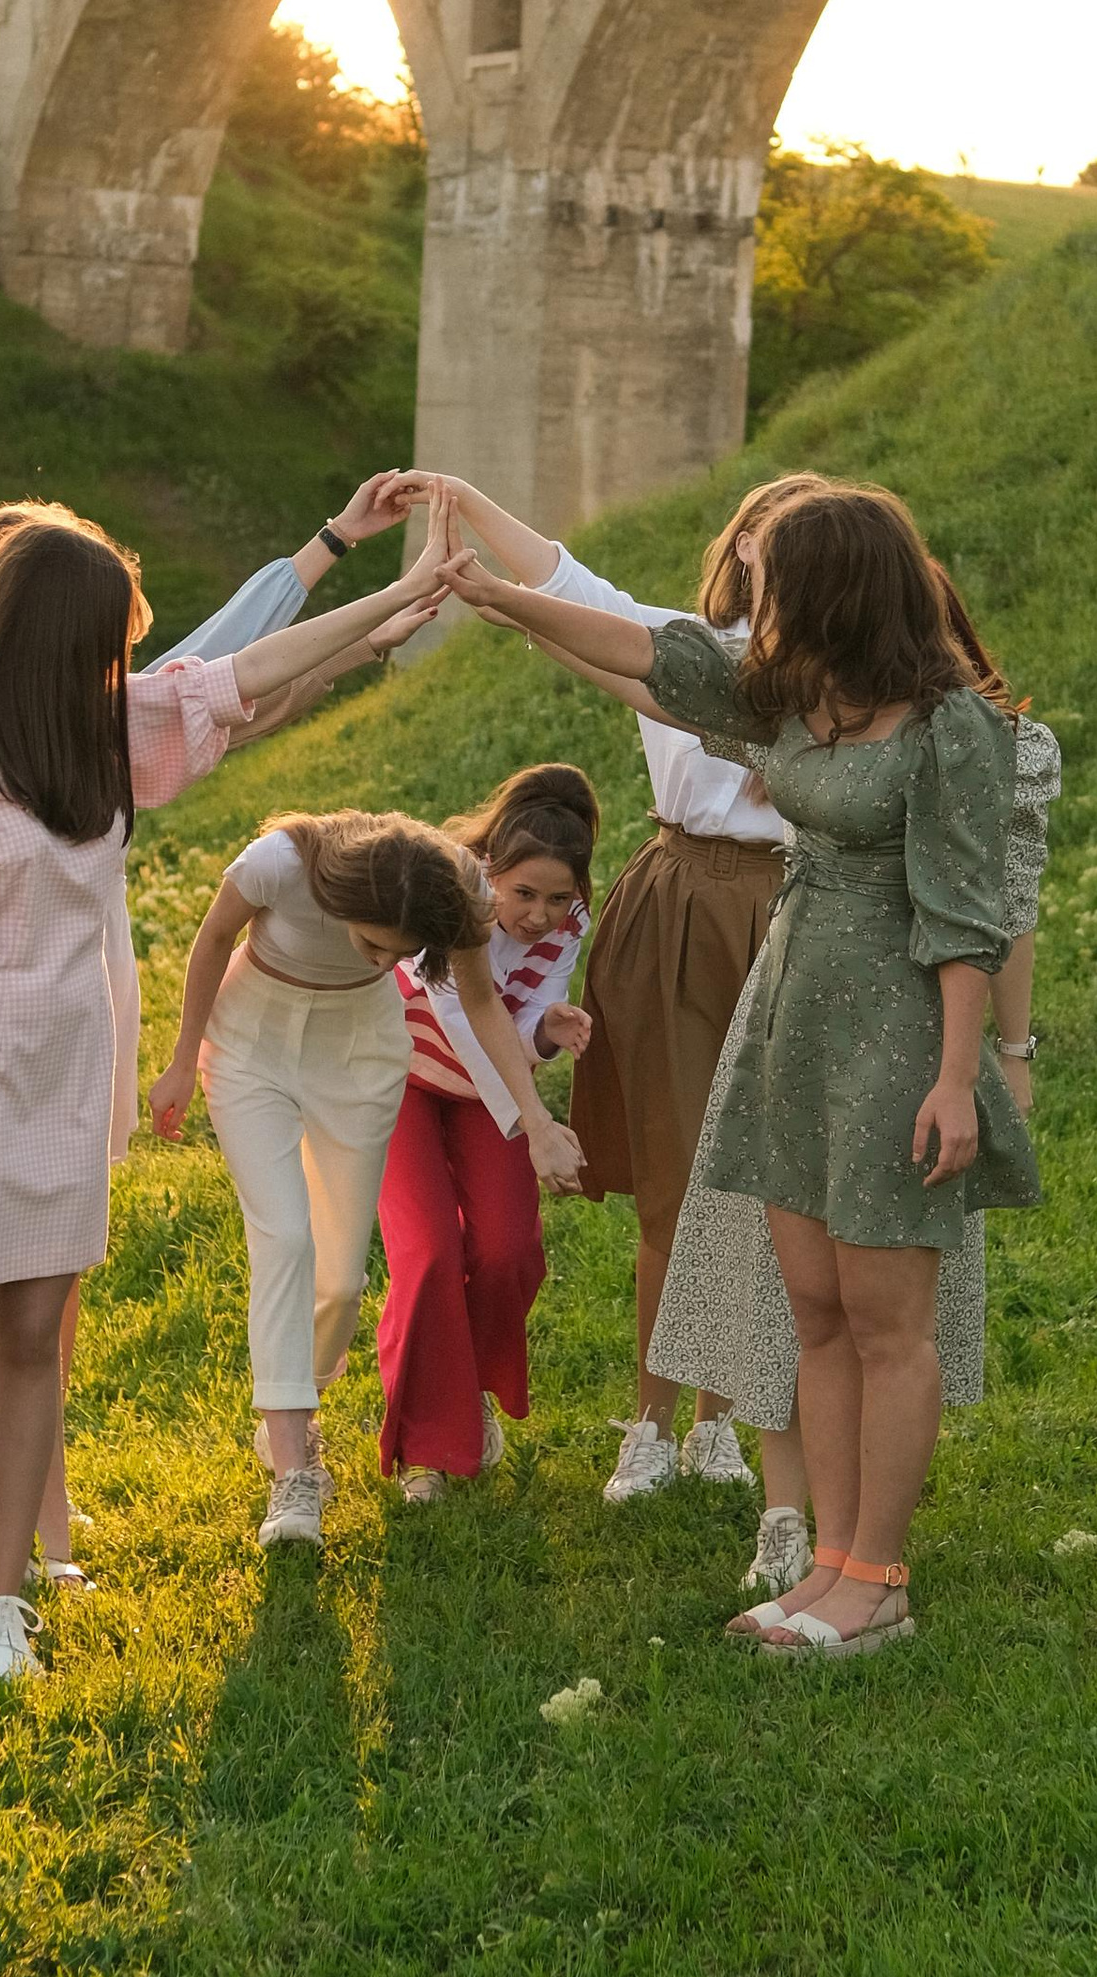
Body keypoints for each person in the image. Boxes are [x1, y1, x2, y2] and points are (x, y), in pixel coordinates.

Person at [434, 480, 1049, 1660]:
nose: (751, 606)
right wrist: (498, 597)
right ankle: (825, 1565)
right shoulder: (791, 702)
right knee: (812, 1310)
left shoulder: (951, 730)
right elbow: (644, 649)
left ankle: (879, 1580)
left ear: (840, 590)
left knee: (884, 1320)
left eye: (772, 587)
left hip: (896, 1030)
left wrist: (960, 1074)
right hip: (789, 1013)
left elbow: (971, 915)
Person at [0, 477, 416, 1609]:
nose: (115, 660)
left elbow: (225, 681)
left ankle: (4, 1549)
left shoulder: (85, 711)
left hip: (50, 1037)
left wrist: (366, 585)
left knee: (26, 1312)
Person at [405, 468, 827, 1589]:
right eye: (758, 537)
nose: (768, 559)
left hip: (786, 913)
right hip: (678, 911)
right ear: (735, 551)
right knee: (673, 1180)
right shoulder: (681, 641)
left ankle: (721, 1421)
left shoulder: (834, 680)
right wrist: (463, 500)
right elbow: (560, 577)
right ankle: (648, 1422)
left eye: (794, 542)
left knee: (763, 1184)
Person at [147, 808, 586, 1551]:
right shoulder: (278, 864)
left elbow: (480, 1002)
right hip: (253, 1044)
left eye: (404, 954)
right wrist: (183, 1056)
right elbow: (215, 935)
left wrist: (537, 1123)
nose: (389, 964)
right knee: (284, 1238)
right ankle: (293, 1467)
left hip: (359, 1054)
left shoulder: (451, 886)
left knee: (341, 1283)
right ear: (350, 902)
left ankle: (301, 1397)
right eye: (376, 945)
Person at [378, 761, 599, 1503]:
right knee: (431, 1252)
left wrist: (546, 1029)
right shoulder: (451, 889)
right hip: (404, 1078)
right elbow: (462, 1015)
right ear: (491, 870)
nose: (538, 915)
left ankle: (461, 1382)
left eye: (557, 898)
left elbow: (525, 1010)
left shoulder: (569, 923)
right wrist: (534, 1124)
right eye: (524, 894)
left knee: (507, 1249)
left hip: (487, 1089)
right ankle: (426, 1449)